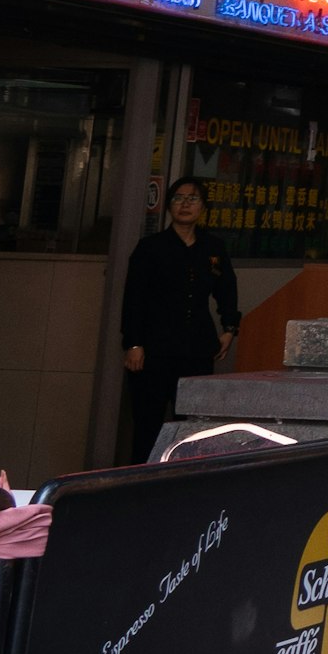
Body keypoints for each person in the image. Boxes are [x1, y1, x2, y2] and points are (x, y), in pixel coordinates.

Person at [119, 175, 242, 460]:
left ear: (203, 207)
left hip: (196, 347)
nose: (185, 204)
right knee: (147, 422)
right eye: (178, 198)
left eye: (193, 198)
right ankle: (139, 484)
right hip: (153, 349)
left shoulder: (213, 248)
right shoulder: (150, 248)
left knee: (193, 424)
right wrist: (133, 343)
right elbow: (134, 298)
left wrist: (229, 327)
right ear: (169, 206)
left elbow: (227, 289)